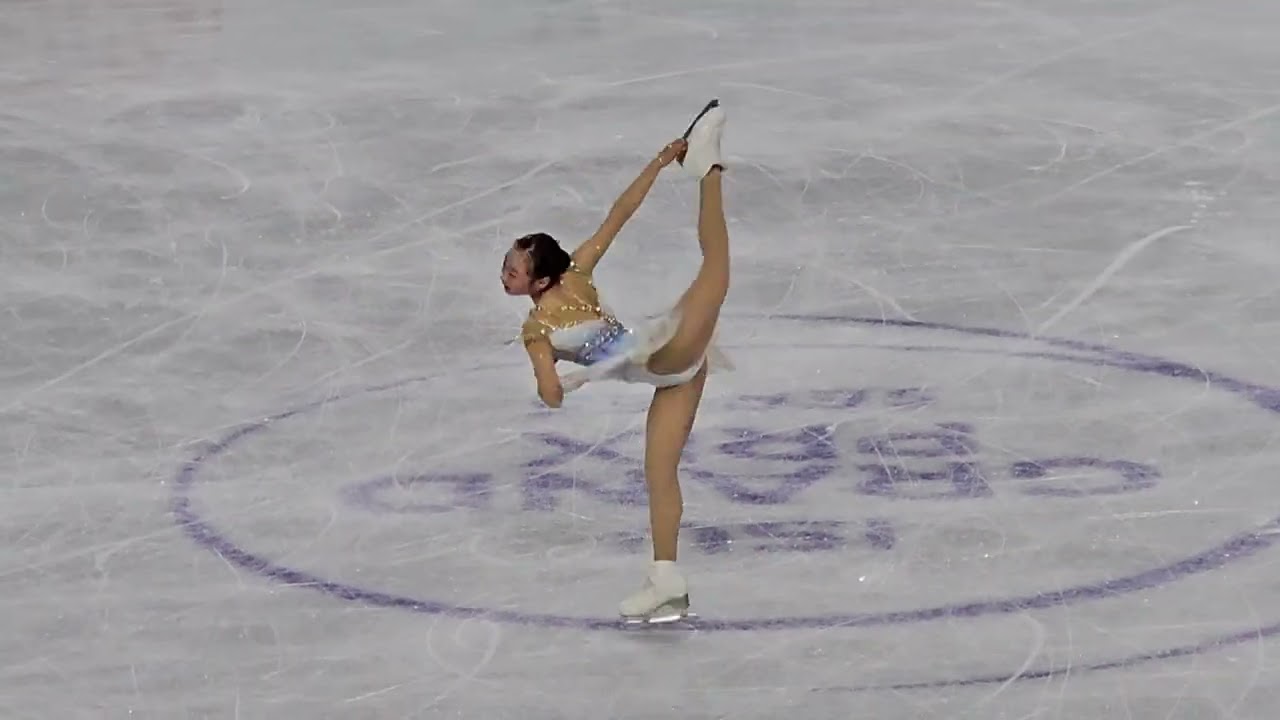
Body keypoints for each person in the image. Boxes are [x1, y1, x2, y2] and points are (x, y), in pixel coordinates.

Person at [499, 99, 732, 623]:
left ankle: (707, 165)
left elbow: (620, 213)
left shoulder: (577, 275)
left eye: (512, 271)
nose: (504, 276)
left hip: (668, 353)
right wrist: (558, 382)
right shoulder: (536, 333)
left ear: (541, 280)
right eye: (505, 268)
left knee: (716, 269)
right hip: (667, 373)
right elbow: (550, 397)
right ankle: (666, 580)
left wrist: (660, 160)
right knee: (660, 473)